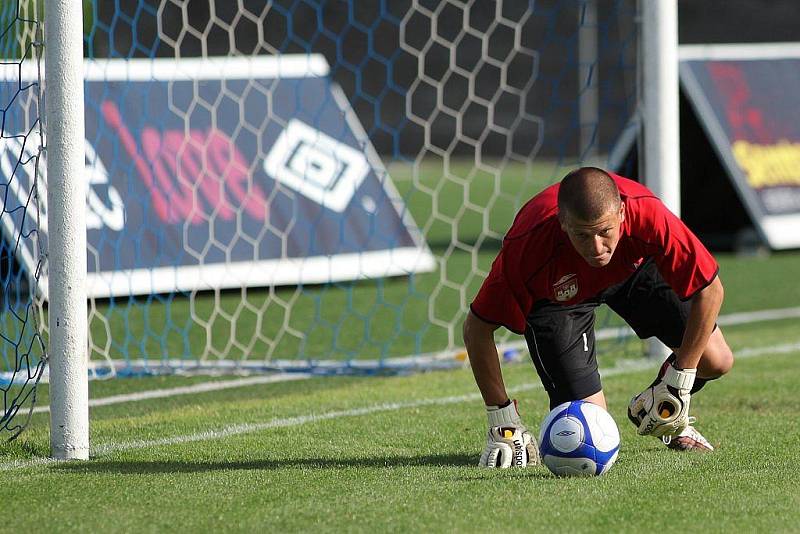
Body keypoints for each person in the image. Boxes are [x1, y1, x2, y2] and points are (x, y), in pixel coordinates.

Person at [463, 167, 734, 468]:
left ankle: (654, 405)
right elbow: (477, 328)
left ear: (621, 212)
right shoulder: (528, 243)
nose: (596, 248)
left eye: (605, 231)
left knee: (716, 360)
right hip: (556, 300)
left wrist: (679, 381)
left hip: (632, 268)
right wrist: (502, 419)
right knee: (592, 428)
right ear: (563, 223)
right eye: (582, 235)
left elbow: (710, 291)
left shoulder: (647, 212)